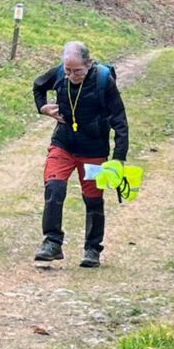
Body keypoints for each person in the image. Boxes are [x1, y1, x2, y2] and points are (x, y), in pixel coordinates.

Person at [31, 40, 129, 268]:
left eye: (78, 71)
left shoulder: (104, 81)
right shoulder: (59, 74)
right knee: (54, 188)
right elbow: (38, 86)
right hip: (63, 144)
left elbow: (120, 121)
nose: (72, 76)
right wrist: (42, 107)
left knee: (93, 199)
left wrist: (119, 158)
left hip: (94, 150)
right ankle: (52, 242)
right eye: (68, 70)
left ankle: (92, 249)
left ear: (89, 64)